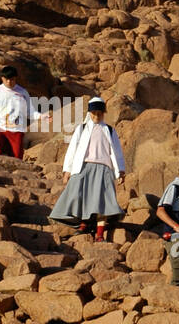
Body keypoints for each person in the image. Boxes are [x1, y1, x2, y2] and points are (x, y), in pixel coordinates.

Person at [49, 96, 127, 242]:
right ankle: (83, 223)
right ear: (89, 113)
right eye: (94, 113)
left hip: (104, 169)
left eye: (100, 113)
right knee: (78, 196)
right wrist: (67, 170)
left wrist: (120, 170)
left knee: (102, 201)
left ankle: (99, 233)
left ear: (104, 113)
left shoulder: (109, 130)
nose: (97, 116)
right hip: (83, 167)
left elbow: (116, 151)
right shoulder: (82, 128)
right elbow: (73, 149)